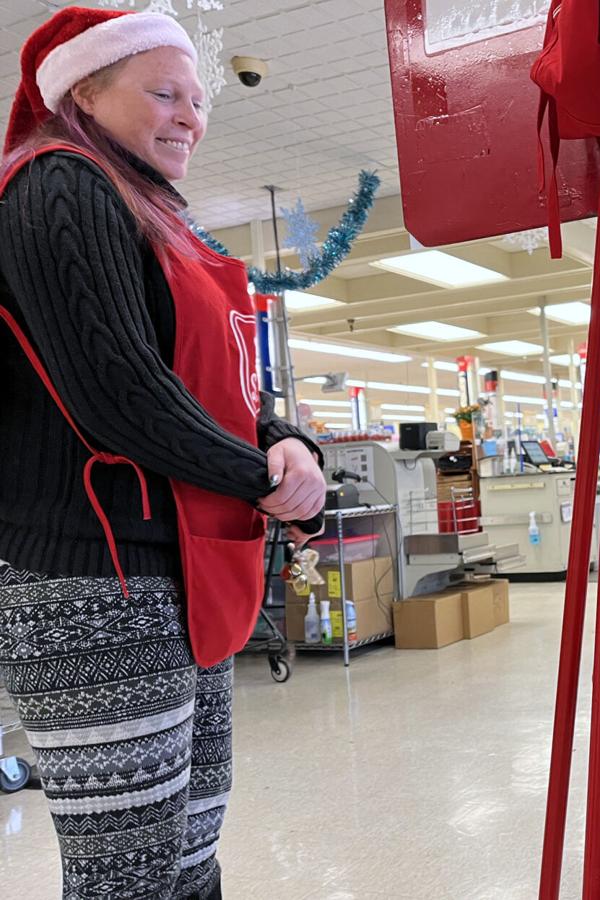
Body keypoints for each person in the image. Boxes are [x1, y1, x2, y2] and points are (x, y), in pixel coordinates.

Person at [0, 8, 326, 899]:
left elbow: (215, 387)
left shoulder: (160, 223)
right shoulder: (59, 188)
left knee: (186, 862)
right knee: (128, 881)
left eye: (198, 99)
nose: (192, 116)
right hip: (92, 590)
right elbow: (120, 395)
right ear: (84, 95)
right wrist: (261, 480)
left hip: (180, 581)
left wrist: (286, 442)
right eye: (163, 93)